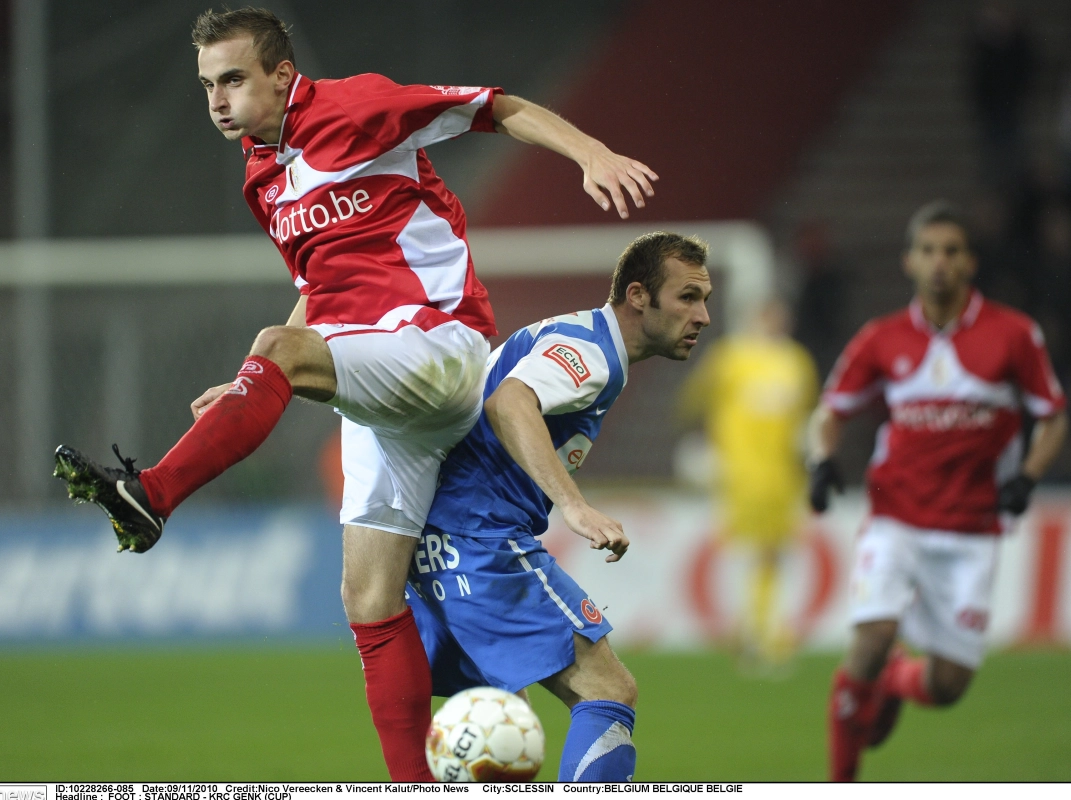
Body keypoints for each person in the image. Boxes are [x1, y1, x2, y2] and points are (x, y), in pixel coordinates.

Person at [51, 7, 658, 783]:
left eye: (233, 79)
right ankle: (408, 787)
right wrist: (252, 377)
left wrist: (590, 152)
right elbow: (320, 290)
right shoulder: (260, 176)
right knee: (368, 597)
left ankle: (153, 496)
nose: (218, 99)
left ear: (281, 74)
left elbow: (494, 106)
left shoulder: (354, 107)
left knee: (279, 354)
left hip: (438, 344)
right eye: (207, 85)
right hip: (380, 376)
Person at [406, 232, 712, 781]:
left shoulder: (578, 336)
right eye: (688, 297)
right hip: (481, 540)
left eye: (704, 298)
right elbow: (511, 401)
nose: (703, 315)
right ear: (638, 295)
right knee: (608, 692)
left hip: (438, 541)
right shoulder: (591, 352)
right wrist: (574, 507)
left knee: (498, 728)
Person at [808, 201, 1068, 781]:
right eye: (929, 251)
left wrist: (1028, 474)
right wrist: (821, 460)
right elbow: (830, 411)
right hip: (896, 518)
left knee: (948, 686)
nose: (940, 262)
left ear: (970, 262)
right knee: (870, 638)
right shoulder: (882, 338)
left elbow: (1053, 416)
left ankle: (895, 679)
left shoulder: (1014, 334)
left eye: (952, 251)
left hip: (972, 529)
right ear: (910, 261)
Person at [678, 297, 818, 669]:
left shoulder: (795, 362)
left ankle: (756, 632)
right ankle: (752, 634)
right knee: (747, 550)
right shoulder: (730, 358)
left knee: (773, 552)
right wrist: (704, 445)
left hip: (782, 476)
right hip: (739, 473)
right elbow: (693, 400)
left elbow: (805, 417)